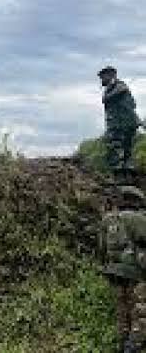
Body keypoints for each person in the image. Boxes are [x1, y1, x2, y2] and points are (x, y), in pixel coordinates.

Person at [102, 185, 146, 352]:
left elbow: (101, 246)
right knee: (140, 309)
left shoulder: (108, 219)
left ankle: (122, 341)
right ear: (135, 200)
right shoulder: (137, 218)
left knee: (122, 308)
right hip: (135, 271)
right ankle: (134, 345)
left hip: (114, 270)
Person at [99, 66, 141, 175]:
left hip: (121, 125)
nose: (101, 80)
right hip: (121, 124)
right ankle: (124, 173)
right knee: (124, 149)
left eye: (103, 77)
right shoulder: (113, 88)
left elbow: (111, 97)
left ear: (111, 75)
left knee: (117, 148)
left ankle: (121, 174)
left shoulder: (119, 86)